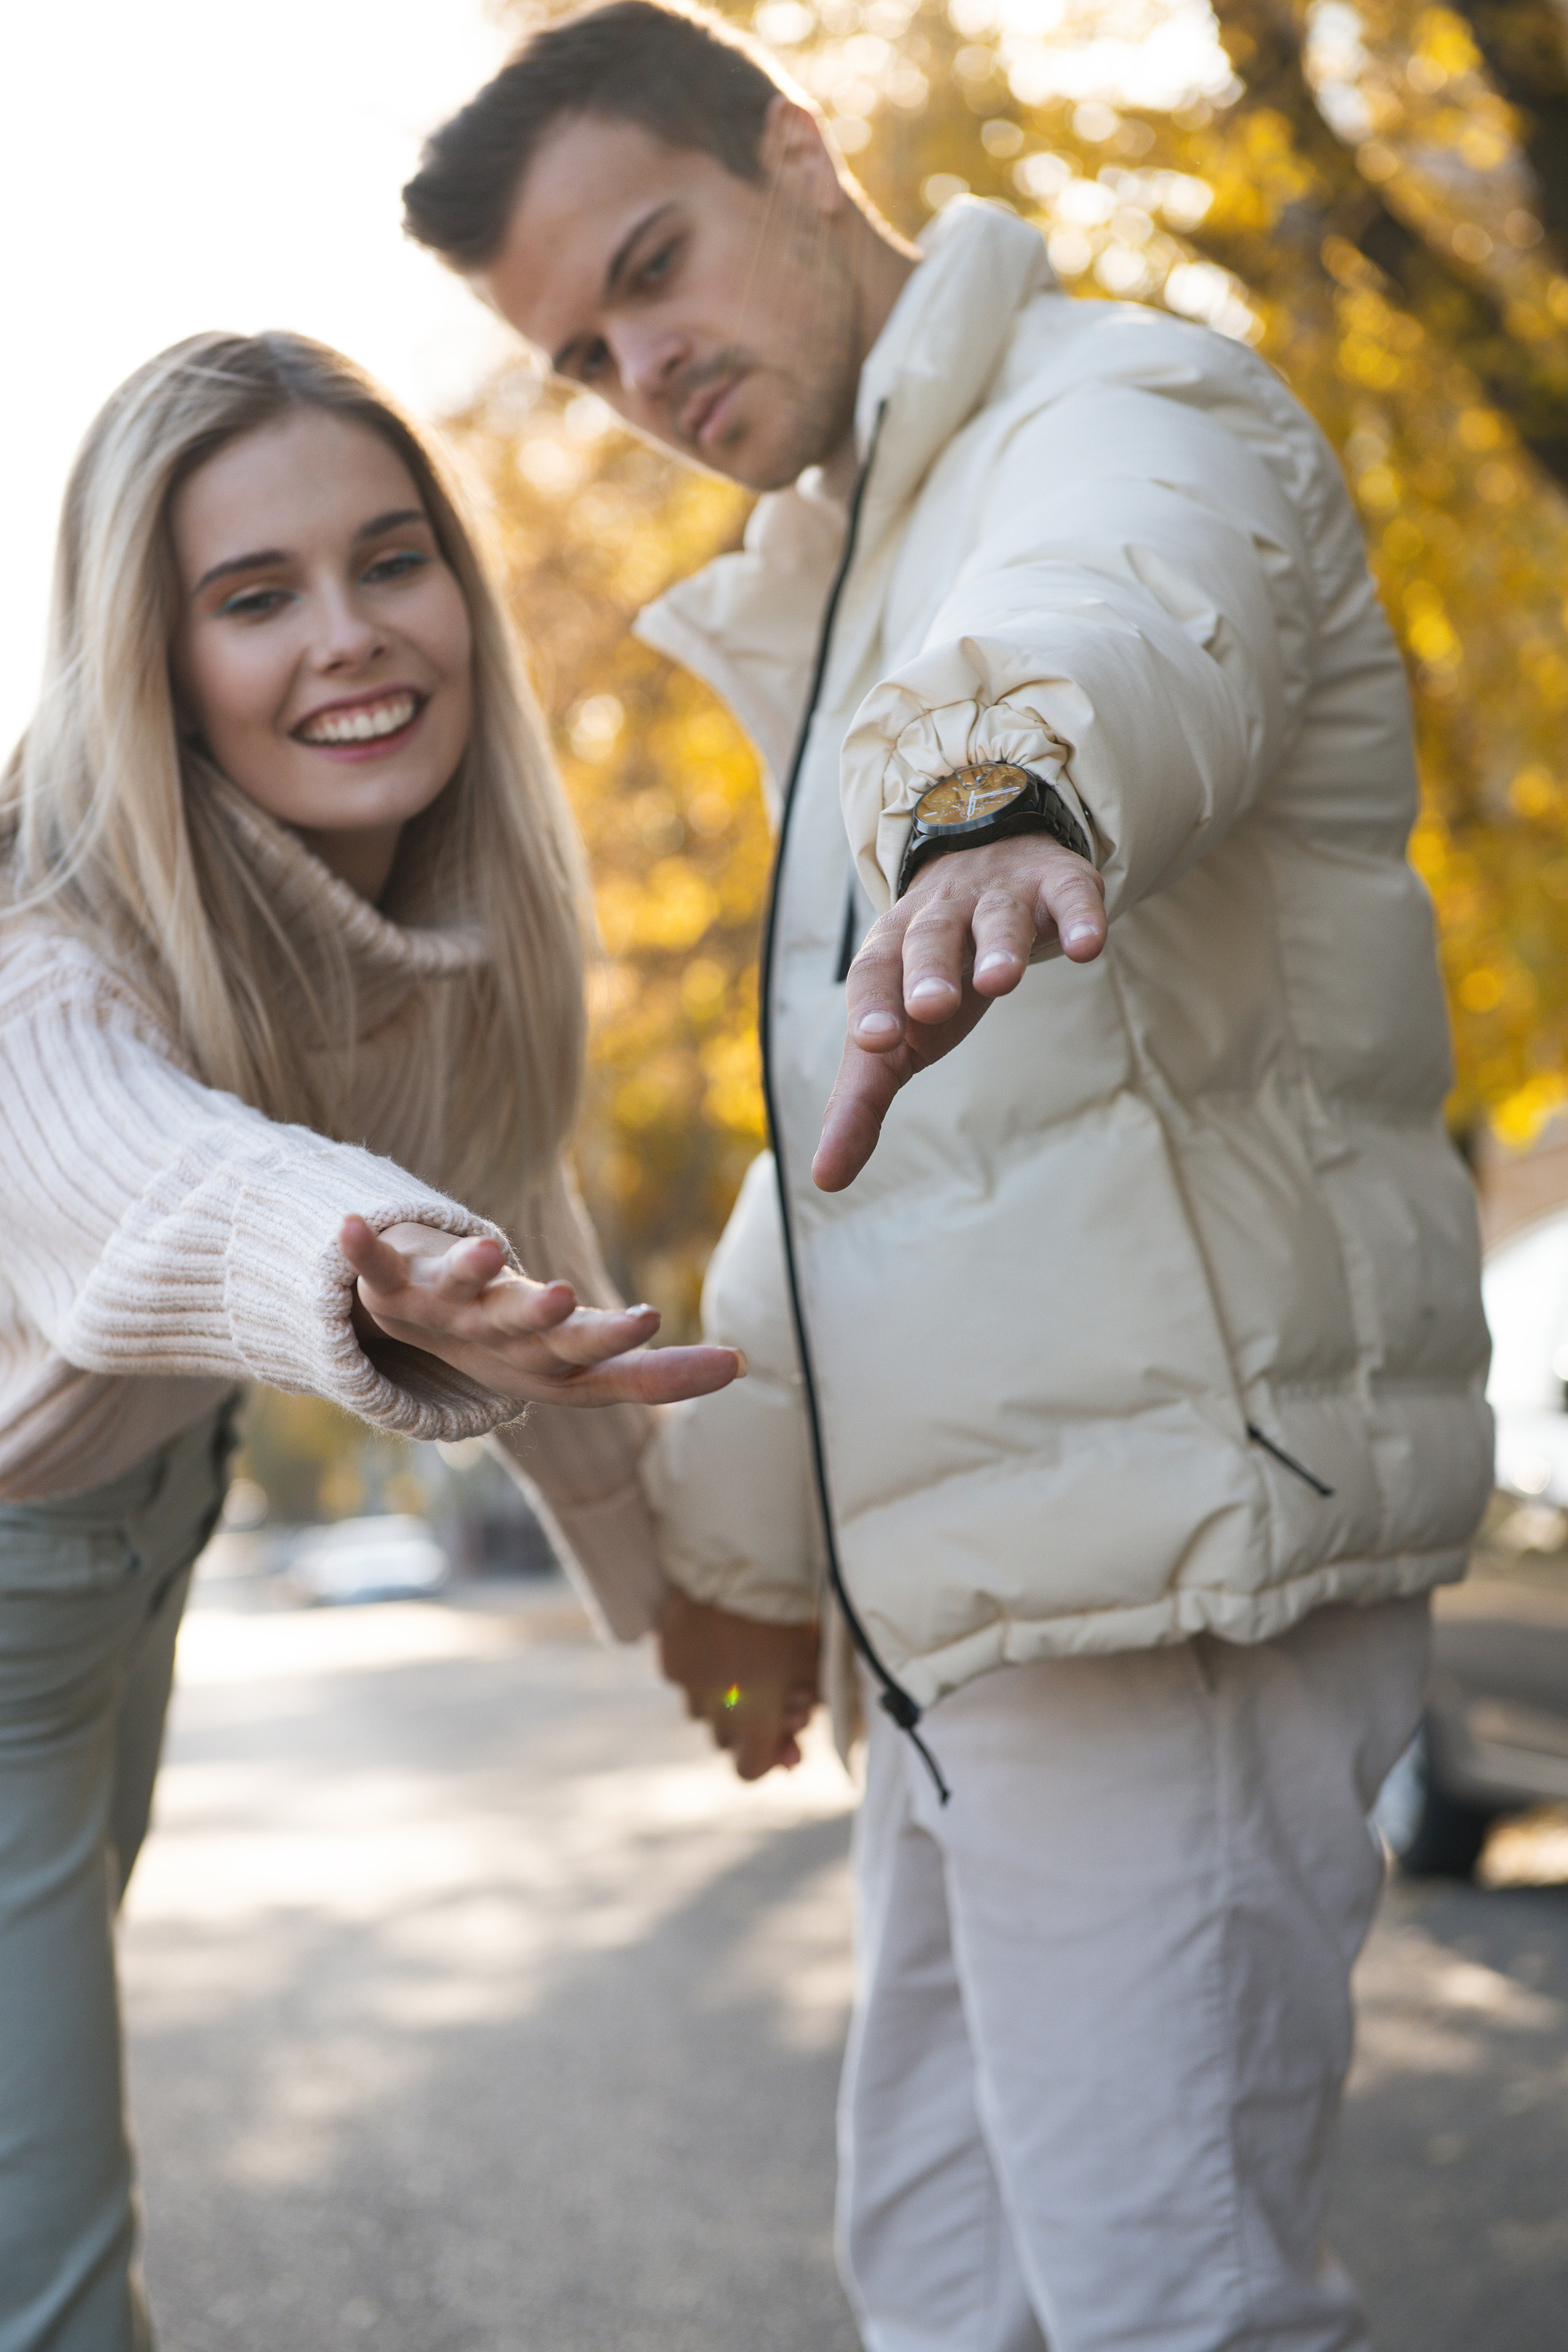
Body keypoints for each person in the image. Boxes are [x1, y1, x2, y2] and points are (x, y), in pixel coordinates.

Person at [405, 10, 1494, 2348]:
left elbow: (1117, 610)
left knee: (1161, 2309)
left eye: (657, 265)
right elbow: (855, 1181)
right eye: (581, 353)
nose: (641, 368)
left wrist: (1000, 800)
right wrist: (738, 1562)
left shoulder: (1109, 411)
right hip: (989, 1602)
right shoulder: (852, 567)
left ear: (803, 155)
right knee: (947, 2293)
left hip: (1167, 1575)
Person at [0, 328, 742, 2352]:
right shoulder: (45, 949)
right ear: (152, 662)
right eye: (254, 598)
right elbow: (147, 1180)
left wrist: (682, 1601)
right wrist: (373, 1250)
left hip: (116, 1573)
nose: (351, 638)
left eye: (389, 560)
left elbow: (535, 1254)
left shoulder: (416, 929)